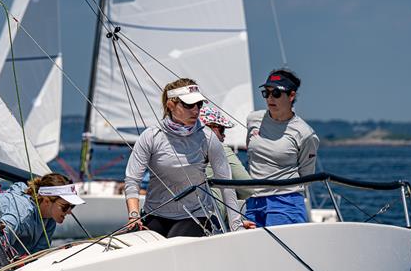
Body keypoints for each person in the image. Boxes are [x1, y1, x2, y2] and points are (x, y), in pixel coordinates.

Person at [125, 78, 244, 237]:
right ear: (171, 105)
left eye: (199, 105)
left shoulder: (208, 138)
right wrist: (134, 215)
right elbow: (133, 179)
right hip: (155, 214)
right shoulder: (151, 136)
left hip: (197, 216)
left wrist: (236, 226)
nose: (195, 110)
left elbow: (226, 184)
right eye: (188, 105)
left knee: (174, 240)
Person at [244, 68, 319, 227]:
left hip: (286, 202)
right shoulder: (253, 119)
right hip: (253, 201)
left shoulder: (305, 134)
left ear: (291, 96)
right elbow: (250, 155)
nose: (270, 98)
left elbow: (306, 176)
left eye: (276, 93)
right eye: (267, 93)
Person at [199, 106, 257, 225]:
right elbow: (248, 189)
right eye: (222, 130)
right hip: (211, 219)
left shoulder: (183, 145)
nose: (223, 136)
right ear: (211, 128)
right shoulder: (220, 148)